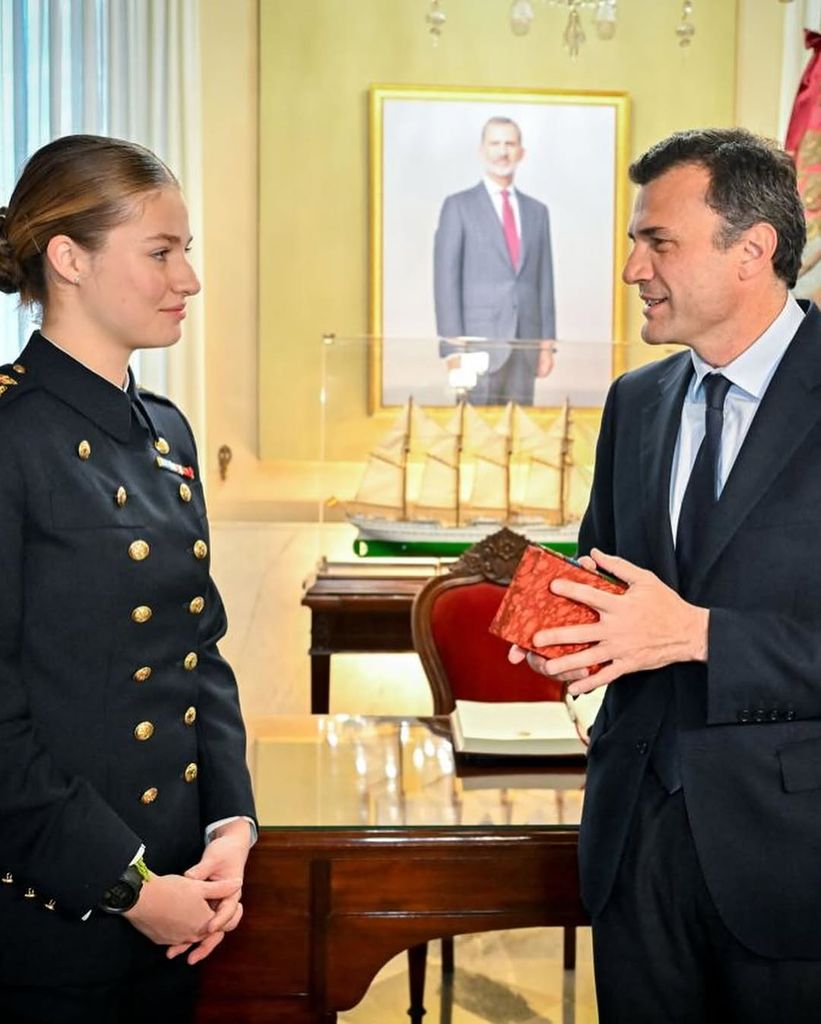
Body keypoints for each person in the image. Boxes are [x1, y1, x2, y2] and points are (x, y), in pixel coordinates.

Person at [511, 127, 821, 1022]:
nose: (630, 269)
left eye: (657, 242)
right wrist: (561, 633)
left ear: (751, 252)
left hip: (791, 863)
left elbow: (680, 625)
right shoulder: (634, 402)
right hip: (632, 847)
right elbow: (607, 578)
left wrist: (696, 635)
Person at [0, 134, 256, 1024]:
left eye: (187, 251)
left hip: (181, 899)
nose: (187, 278)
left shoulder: (165, 434)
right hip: (50, 914)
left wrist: (230, 825)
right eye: (161, 252)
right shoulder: (11, 436)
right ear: (68, 259)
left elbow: (198, 651)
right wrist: (126, 886)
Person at [433, 116, 556, 405]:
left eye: (510, 144)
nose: (503, 151)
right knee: (477, 436)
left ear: (521, 152)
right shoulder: (458, 207)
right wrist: (451, 349)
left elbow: (545, 281)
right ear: (482, 151)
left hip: (525, 345)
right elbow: (445, 281)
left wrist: (547, 345)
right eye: (495, 143)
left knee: (520, 436)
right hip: (476, 349)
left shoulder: (537, 212)